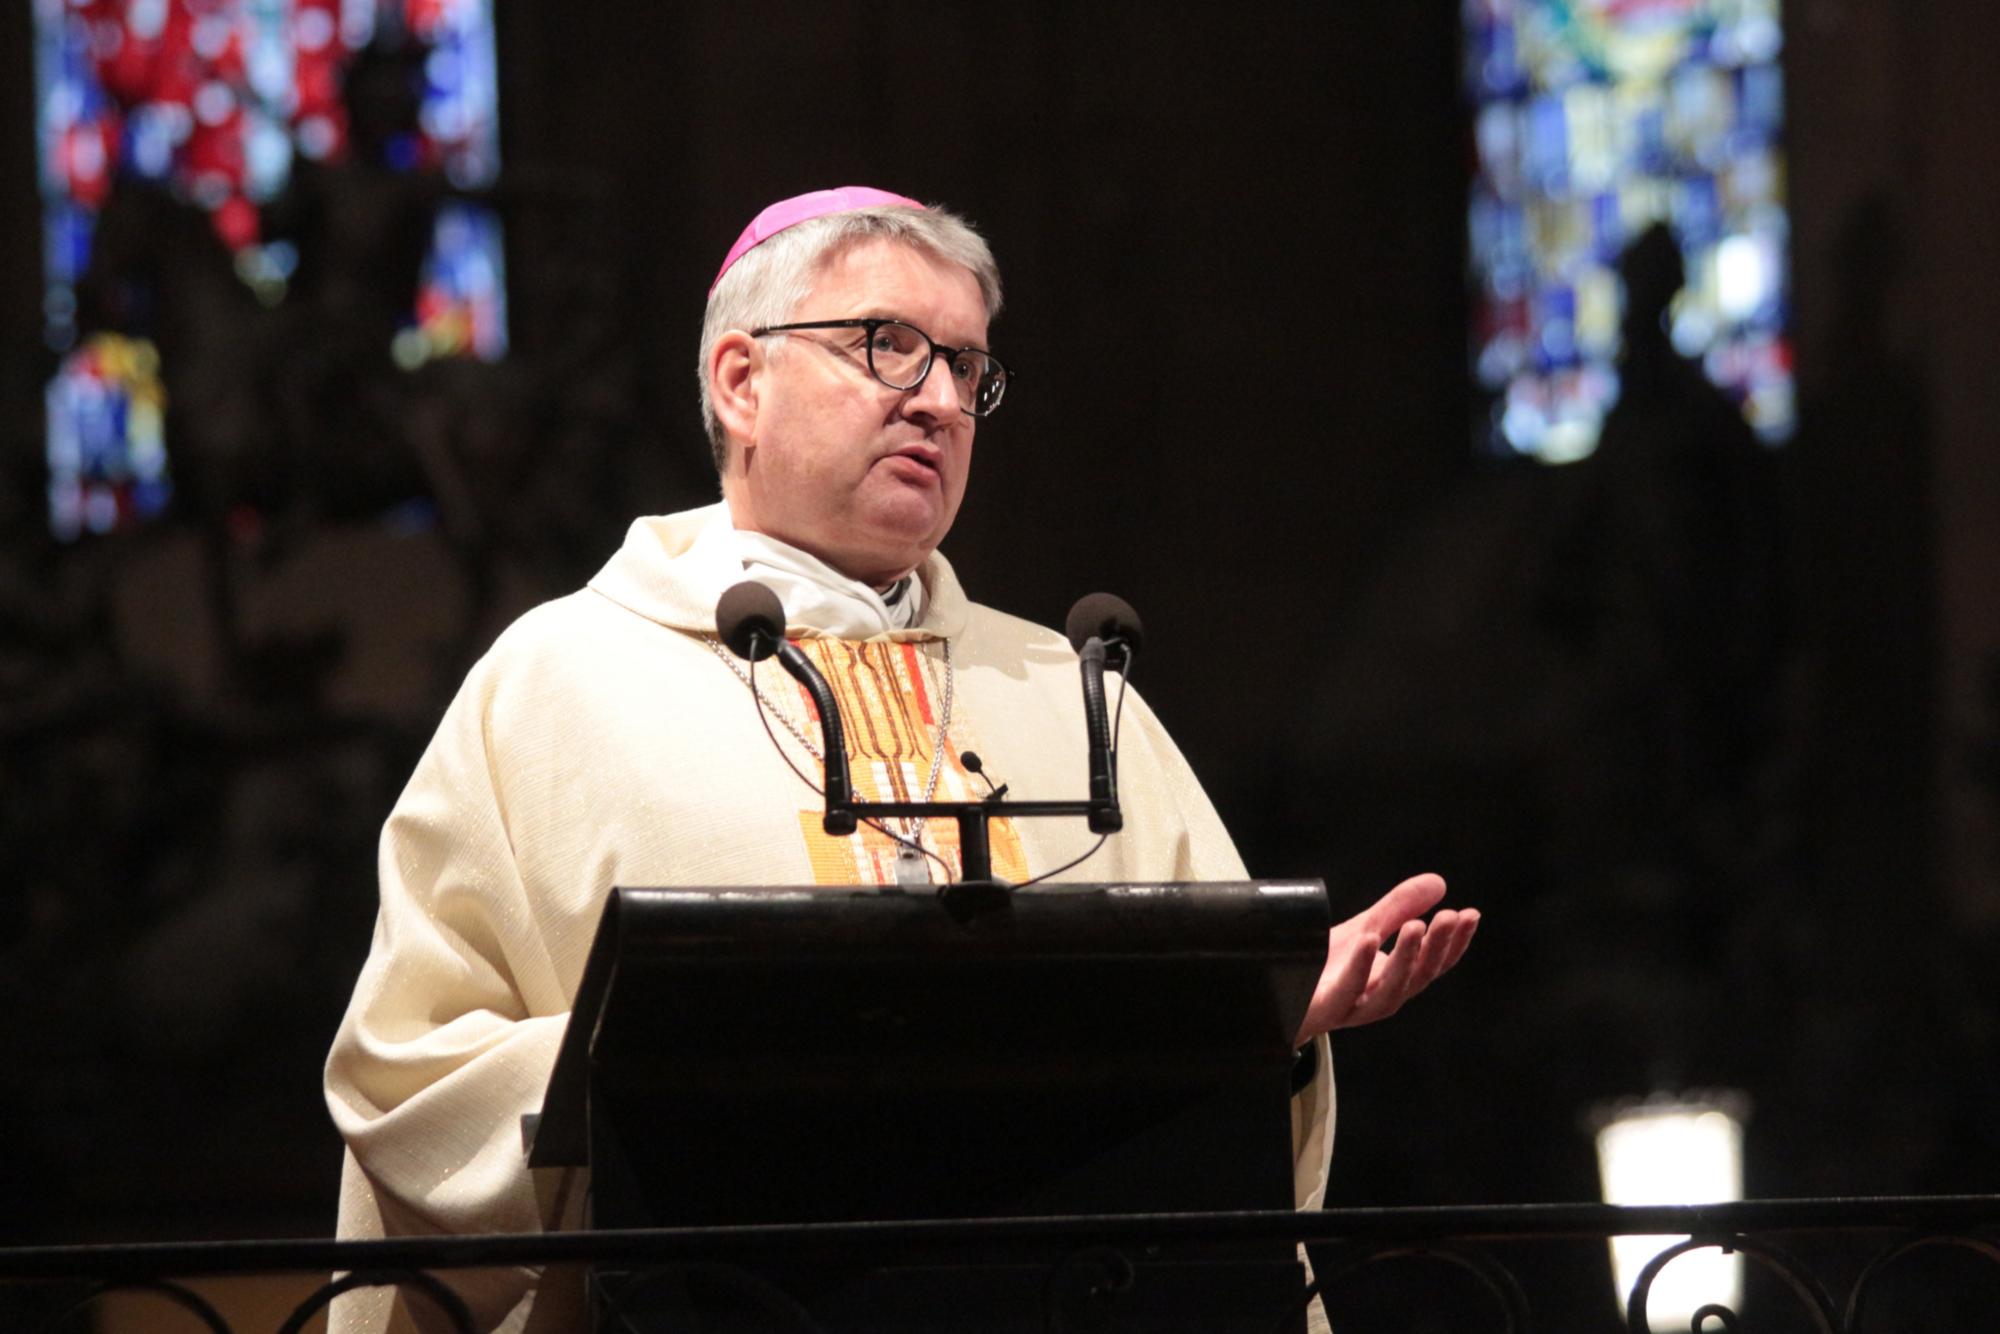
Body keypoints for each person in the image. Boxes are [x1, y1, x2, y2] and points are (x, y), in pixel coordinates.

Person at [323, 186, 1479, 1333]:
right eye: (887, 347)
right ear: (741, 381)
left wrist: (1269, 1019)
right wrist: (656, 1072)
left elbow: (1202, 1130)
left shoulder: (1068, 686)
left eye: (966, 367)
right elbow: (411, 1071)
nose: (938, 399)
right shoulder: (558, 681)